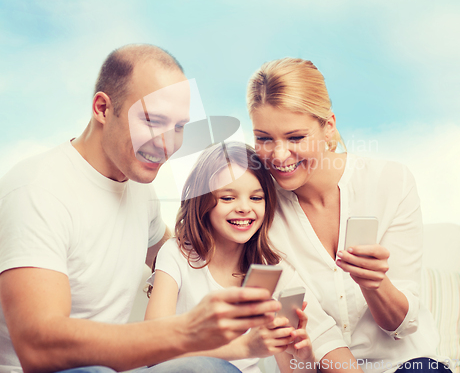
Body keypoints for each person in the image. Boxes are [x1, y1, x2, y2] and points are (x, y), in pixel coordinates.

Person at [0, 44, 280, 373]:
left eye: (178, 127)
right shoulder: (38, 190)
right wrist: (189, 330)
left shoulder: (137, 187)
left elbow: (172, 250)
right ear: (103, 108)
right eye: (152, 120)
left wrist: (237, 255)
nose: (167, 144)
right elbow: (38, 348)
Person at [246, 58, 448, 373]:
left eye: (295, 138)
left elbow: (402, 325)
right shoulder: (259, 212)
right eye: (264, 138)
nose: (279, 155)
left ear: (329, 127)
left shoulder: (391, 182)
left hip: (408, 364)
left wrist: (374, 284)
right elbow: (315, 332)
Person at [145, 141, 352, 373]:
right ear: (202, 202)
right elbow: (153, 350)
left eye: (256, 198)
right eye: (227, 198)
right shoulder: (176, 255)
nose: (244, 208)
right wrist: (242, 347)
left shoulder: (272, 271)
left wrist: (302, 358)